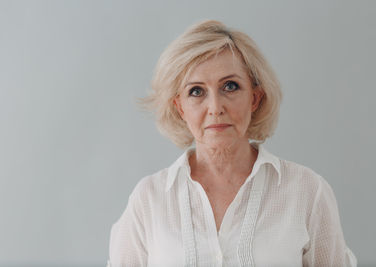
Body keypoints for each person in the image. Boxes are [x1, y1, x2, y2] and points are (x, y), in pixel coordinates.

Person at [107, 20, 357, 267]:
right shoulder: (149, 199)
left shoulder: (307, 192)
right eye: (196, 91)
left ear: (255, 99)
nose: (215, 108)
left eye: (230, 86)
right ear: (180, 107)